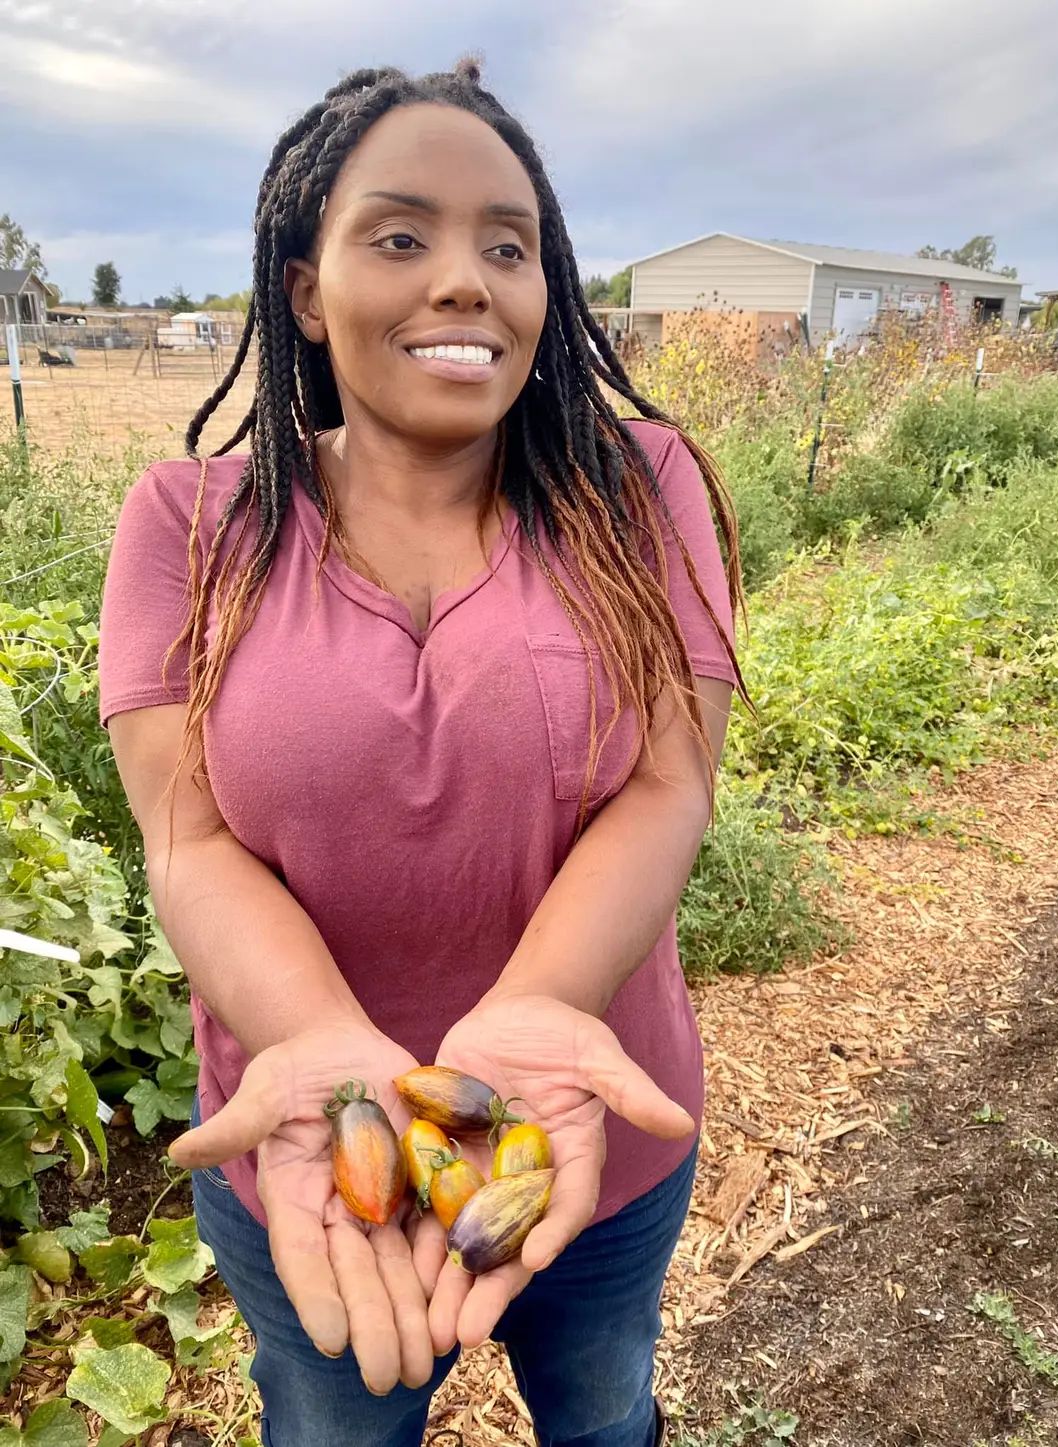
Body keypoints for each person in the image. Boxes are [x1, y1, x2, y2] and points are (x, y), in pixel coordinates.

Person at [98, 57, 747, 1447]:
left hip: (591, 1138)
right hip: (316, 1151)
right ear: (303, 291)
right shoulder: (188, 525)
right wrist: (330, 1050)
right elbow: (186, 838)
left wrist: (535, 1016)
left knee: (602, 1404)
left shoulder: (643, 492)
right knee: (336, 1424)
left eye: (506, 247)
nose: (465, 281)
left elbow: (667, 782)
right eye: (400, 236)